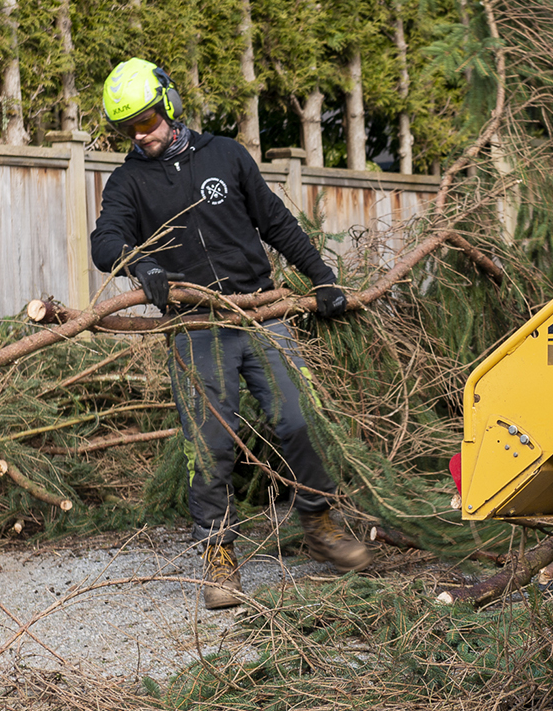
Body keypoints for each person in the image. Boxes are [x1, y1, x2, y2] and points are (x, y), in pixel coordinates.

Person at [89, 58, 371, 607]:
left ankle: (320, 524)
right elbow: (105, 241)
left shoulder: (225, 155)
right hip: (196, 327)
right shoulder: (127, 182)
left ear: (168, 106)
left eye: (147, 121)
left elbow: (276, 222)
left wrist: (323, 278)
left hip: (258, 313)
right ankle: (218, 553)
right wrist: (138, 263)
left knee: (297, 419)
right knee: (210, 443)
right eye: (129, 129)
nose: (141, 135)